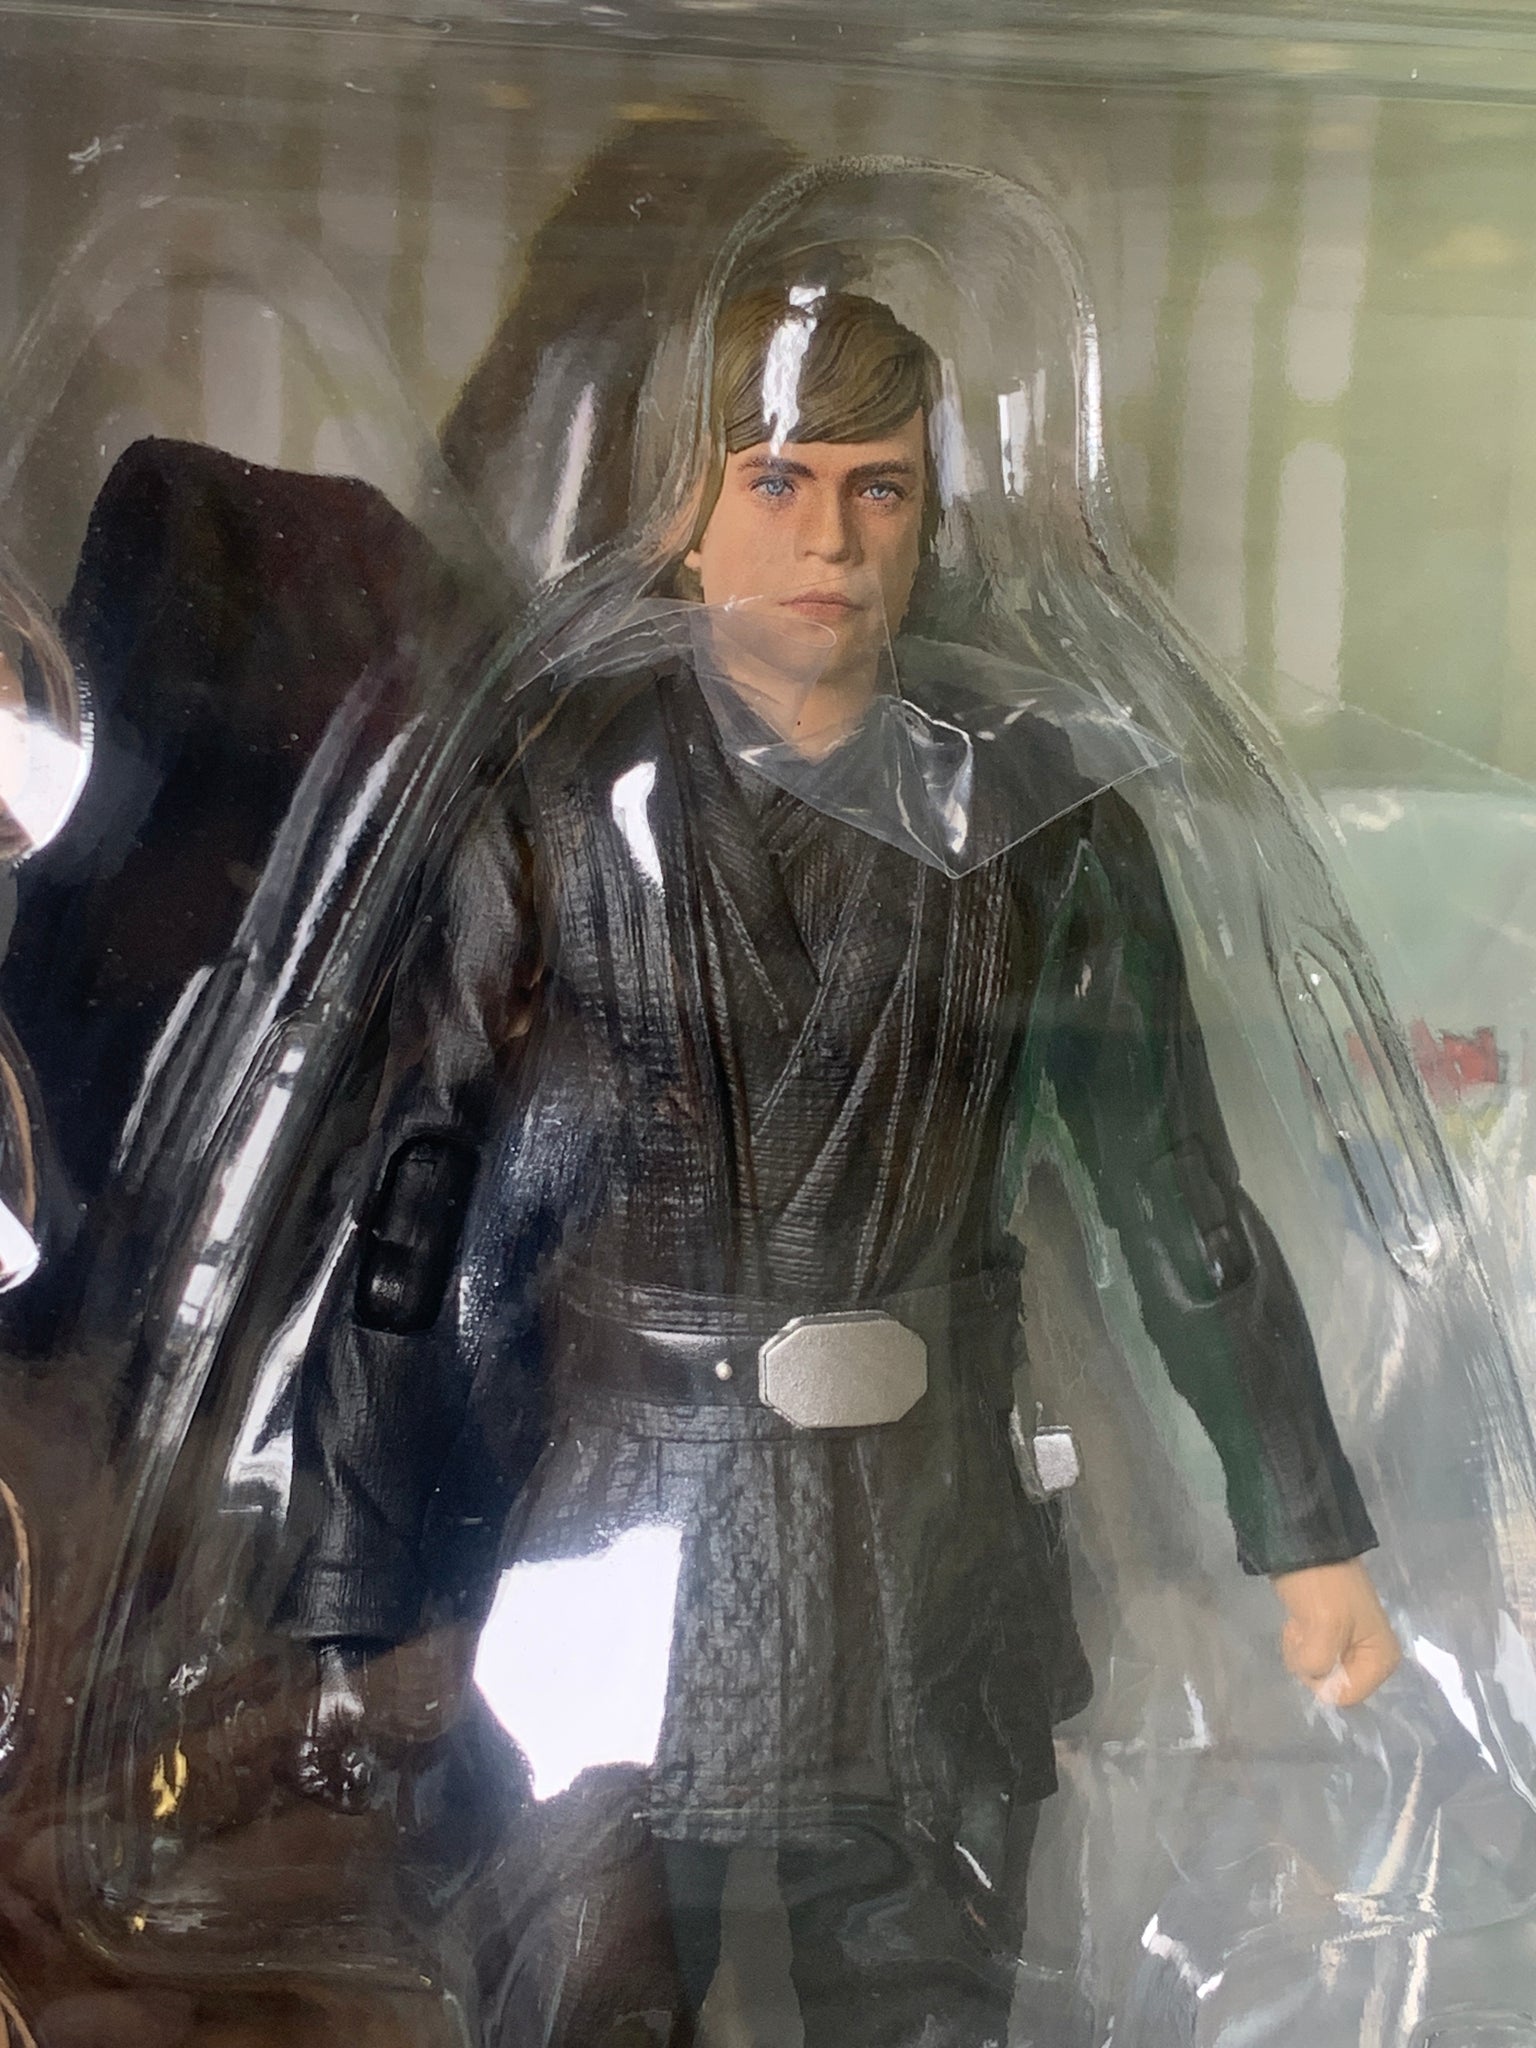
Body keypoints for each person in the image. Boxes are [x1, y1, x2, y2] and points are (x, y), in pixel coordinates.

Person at [282, 286, 1401, 2045]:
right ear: (684, 510)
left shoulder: (1042, 818)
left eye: (879, 488)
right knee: (579, 1997)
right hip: (623, 1541)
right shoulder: (551, 802)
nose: (831, 539)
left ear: (931, 517)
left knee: (928, 2007)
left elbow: (1174, 1197)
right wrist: (347, 1581)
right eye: (780, 480)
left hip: (927, 1555)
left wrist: (1307, 1533)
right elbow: (419, 1199)